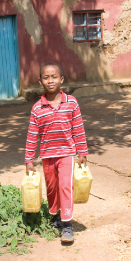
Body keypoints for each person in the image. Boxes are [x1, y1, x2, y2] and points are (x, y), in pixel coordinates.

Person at [24, 62, 88, 243]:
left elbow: (78, 129)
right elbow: (32, 135)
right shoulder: (37, 108)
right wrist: (29, 159)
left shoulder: (71, 103)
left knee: (65, 186)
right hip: (47, 156)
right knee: (52, 188)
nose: (50, 81)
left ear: (61, 79)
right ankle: (55, 216)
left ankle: (67, 225)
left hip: (67, 153)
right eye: (46, 77)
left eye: (54, 77)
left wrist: (82, 151)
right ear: (40, 81)